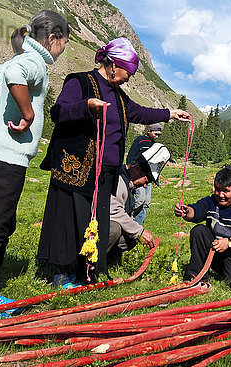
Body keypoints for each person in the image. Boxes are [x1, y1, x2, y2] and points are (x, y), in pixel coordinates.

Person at [36, 37, 190, 289]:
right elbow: (58, 112)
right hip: (77, 169)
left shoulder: (118, 96)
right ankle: (62, 275)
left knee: (97, 222)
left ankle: (87, 270)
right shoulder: (79, 82)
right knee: (71, 221)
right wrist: (86, 106)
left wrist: (170, 113)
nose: (129, 78)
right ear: (113, 65)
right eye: (127, 72)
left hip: (105, 173)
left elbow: (140, 113)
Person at [0, 11, 70, 312]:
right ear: (53, 39)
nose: (63, 49)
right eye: (64, 43)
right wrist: (28, 114)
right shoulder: (32, 62)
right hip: (8, 157)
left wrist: (0, 110)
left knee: (2, 226)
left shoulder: (21, 57)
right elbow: (14, 76)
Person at [174, 167, 231, 287]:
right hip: (216, 253)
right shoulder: (211, 201)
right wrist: (187, 212)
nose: (220, 195)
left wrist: (229, 243)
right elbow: (197, 210)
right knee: (199, 231)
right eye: (217, 190)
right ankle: (198, 276)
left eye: (226, 191)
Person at [108, 143, 170, 256]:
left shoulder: (129, 185)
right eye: (146, 181)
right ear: (136, 169)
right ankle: (89, 262)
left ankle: (107, 259)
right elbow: (113, 211)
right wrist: (140, 231)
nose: (145, 186)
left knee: (131, 239)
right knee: (114, 229)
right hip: (92, 225)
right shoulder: (119, 180)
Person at [126, 123, 163, 224]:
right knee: (140, 199)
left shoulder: (155, 145)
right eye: (155, 134)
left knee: (146, 203)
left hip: (149, 178)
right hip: (138, 176)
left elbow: (154, 164)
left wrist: (156, 179)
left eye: (159, 135)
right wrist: (130, 171)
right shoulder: (140, 140)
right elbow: (130, 156)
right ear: (149, 131)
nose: (157, 136)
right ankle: (125, 217)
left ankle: (137, 227)